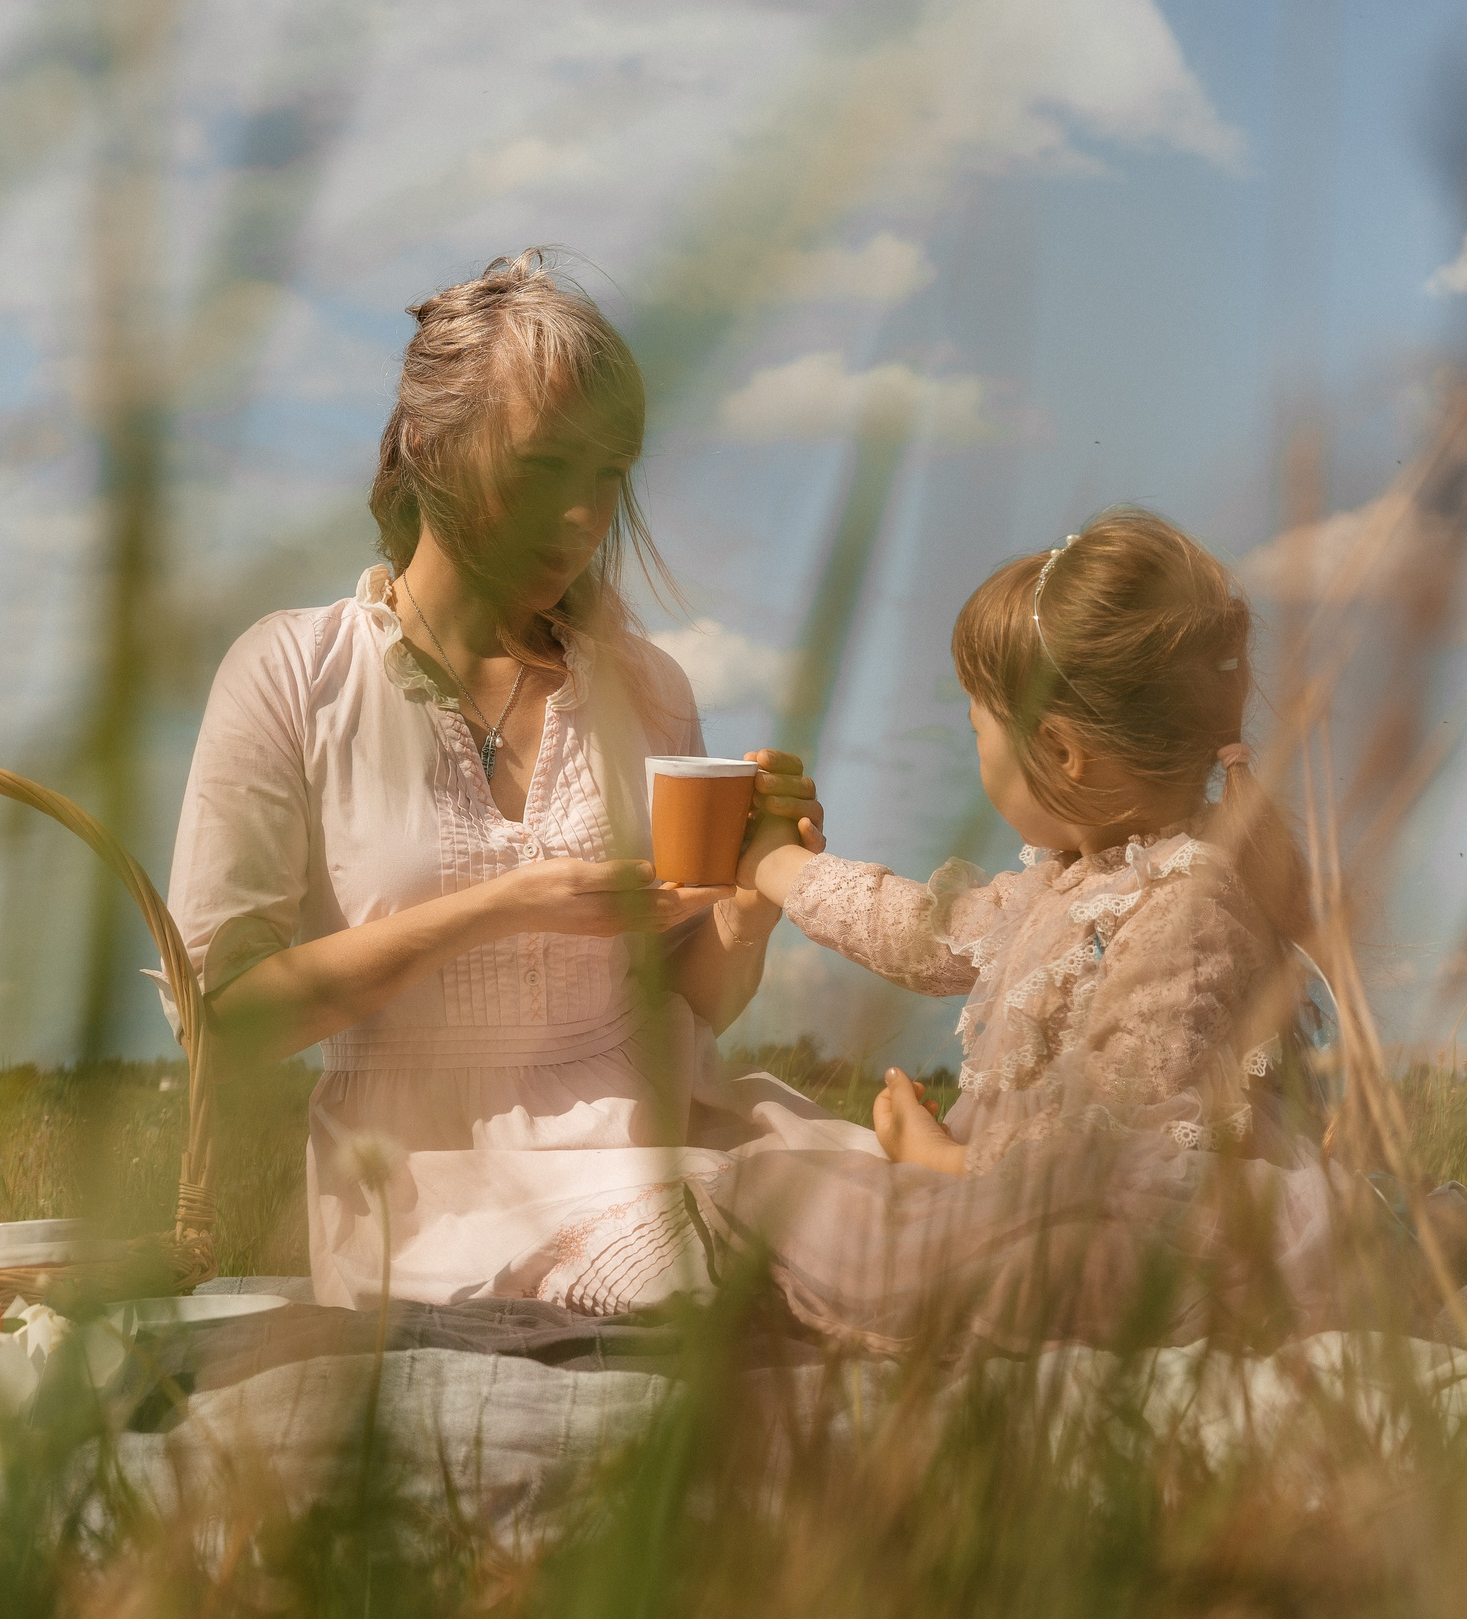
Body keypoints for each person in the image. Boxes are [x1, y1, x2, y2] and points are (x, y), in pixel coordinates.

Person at [164, 251, 868, 1311]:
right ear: (431, 446)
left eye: (609, 477)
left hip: (664, 1137)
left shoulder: (643, 689)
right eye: (547, 470)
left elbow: (685, 1005)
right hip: (434, 1192)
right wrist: (500, 907)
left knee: (916, 1228)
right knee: (713, 1278)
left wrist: (753, 900)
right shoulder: (293, 674)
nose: (586, 519)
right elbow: (224, 1021)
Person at [706, 508, 1353, 1352]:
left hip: (1133, 1234)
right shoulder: (1069, 878)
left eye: (979, 730)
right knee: (776, 1167)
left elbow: (1129, 1162)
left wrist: (942, 1162)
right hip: (1016, 1194)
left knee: (890, 1228)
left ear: (1061, 751)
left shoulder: (1190, 904)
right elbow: (923, 931)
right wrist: (775, 867)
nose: (975, 754)